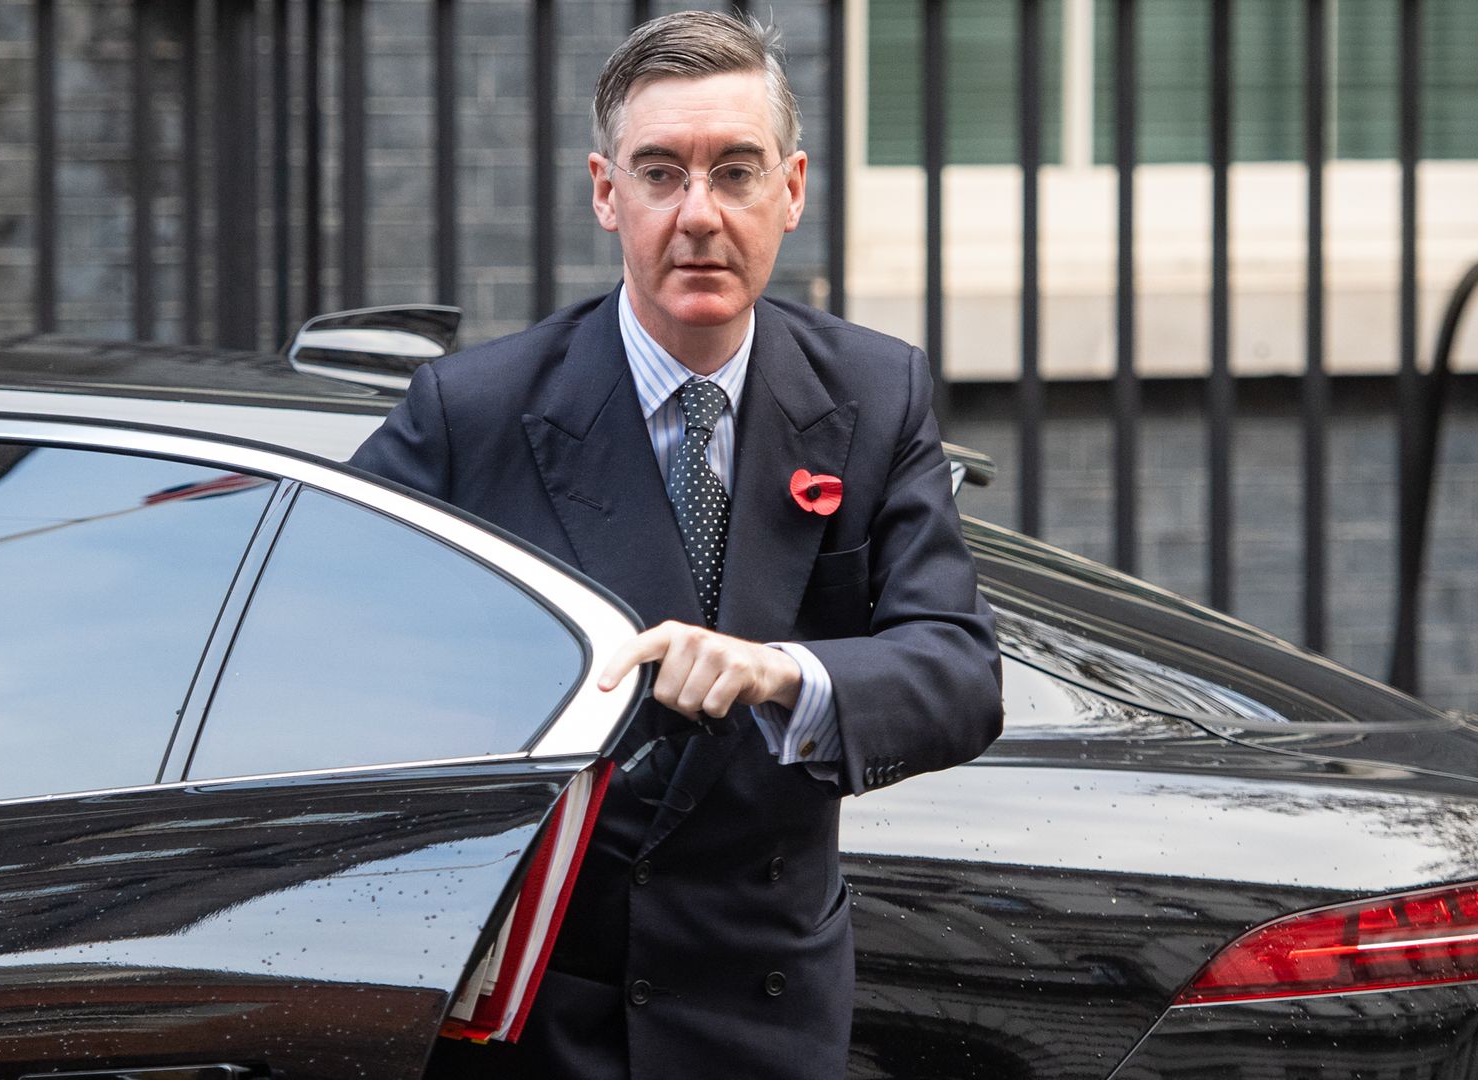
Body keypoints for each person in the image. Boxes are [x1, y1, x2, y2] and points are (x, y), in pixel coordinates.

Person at [351, 11, 1002, 1078]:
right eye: (662, 174)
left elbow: (960, 673)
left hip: (768, 1004)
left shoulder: (877, 394)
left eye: (735, 172)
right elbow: (325, 639)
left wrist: (781, 672)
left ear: (791, 190)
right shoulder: (473, 413)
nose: (699, 214)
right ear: (608, 193)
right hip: (544, 1019)